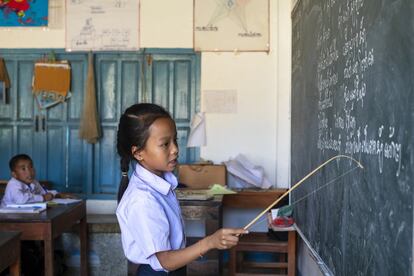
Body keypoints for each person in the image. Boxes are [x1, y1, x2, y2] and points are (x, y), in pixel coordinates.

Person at [116, 103, 248, 275]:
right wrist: (209, 242)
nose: (175, 149)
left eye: (175, 140)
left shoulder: (161, 184)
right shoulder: (142, 200)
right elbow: (165, 261)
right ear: (139, 153)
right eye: (165, 144)